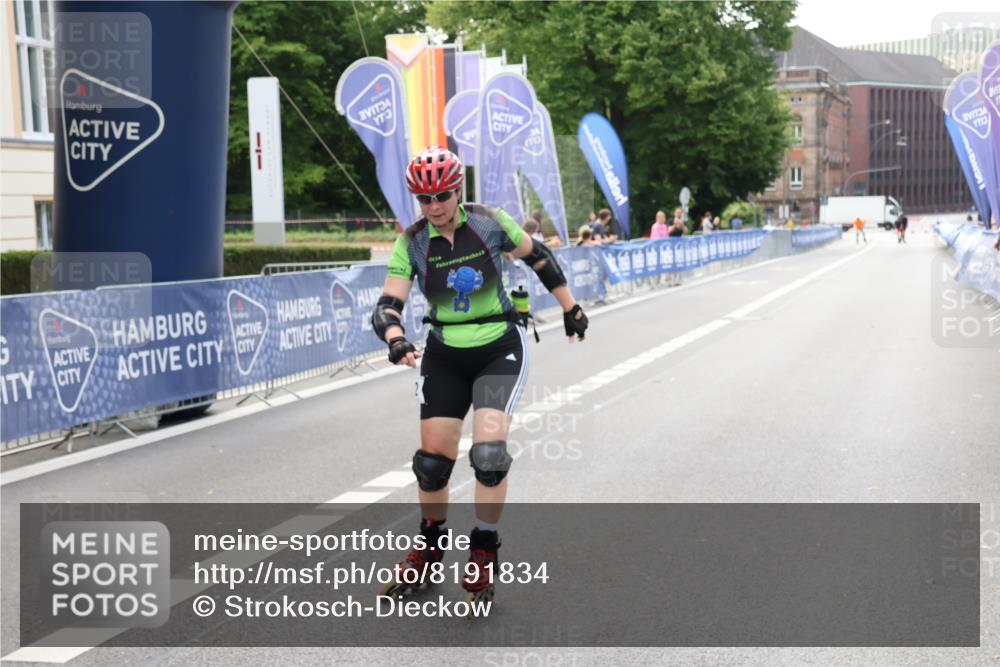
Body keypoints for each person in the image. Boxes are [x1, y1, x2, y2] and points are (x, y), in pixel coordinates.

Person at [372, 147, 589, 605]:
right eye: (424, 199)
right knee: (432, 465)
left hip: (498, 348)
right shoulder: (411, 241)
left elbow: (541, 257)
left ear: (458, 191)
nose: (434, 206)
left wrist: (571, 307)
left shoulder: (489, 221)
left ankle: (485, 549)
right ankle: (430, 547)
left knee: (488, 455)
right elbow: (387, 305)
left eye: (442, 195)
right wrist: (395, 339)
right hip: (444, 352)